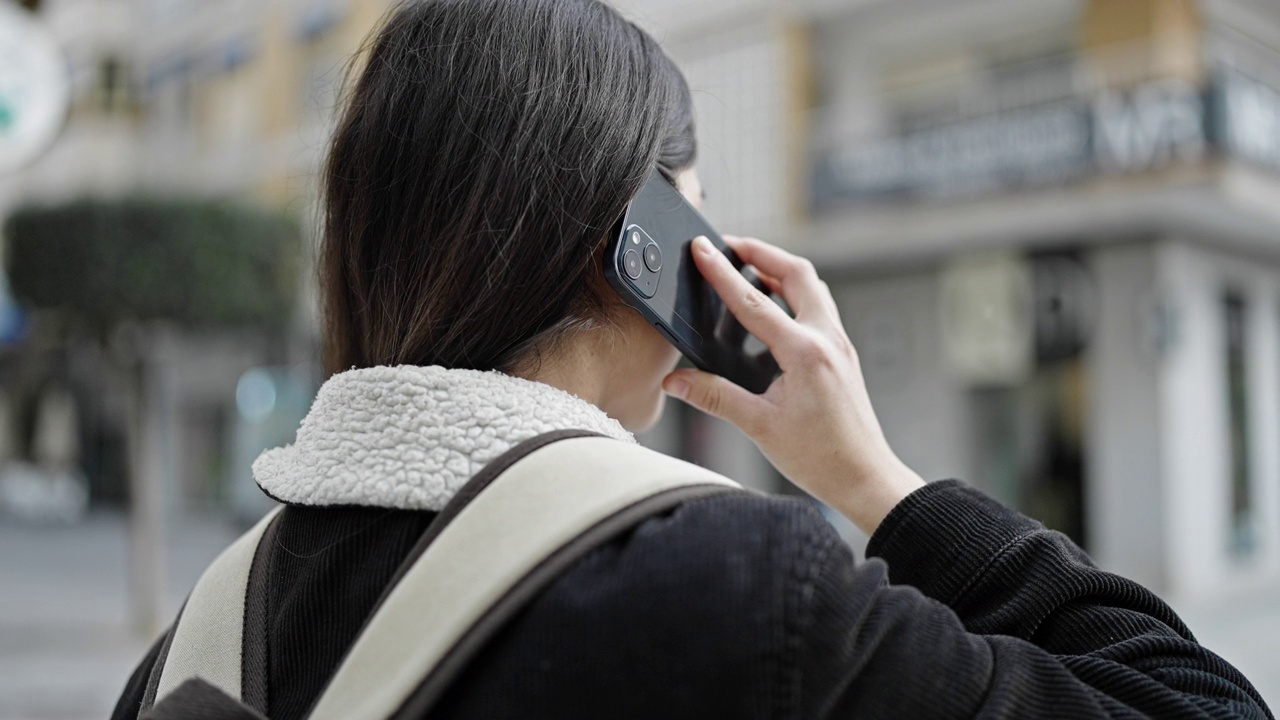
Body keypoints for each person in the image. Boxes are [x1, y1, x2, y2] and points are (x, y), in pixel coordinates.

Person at [114, 0, 1274, 718]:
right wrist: (874, 480)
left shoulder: (210, 630)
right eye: (696, 225)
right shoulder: (738, 585)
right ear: (636, 249)